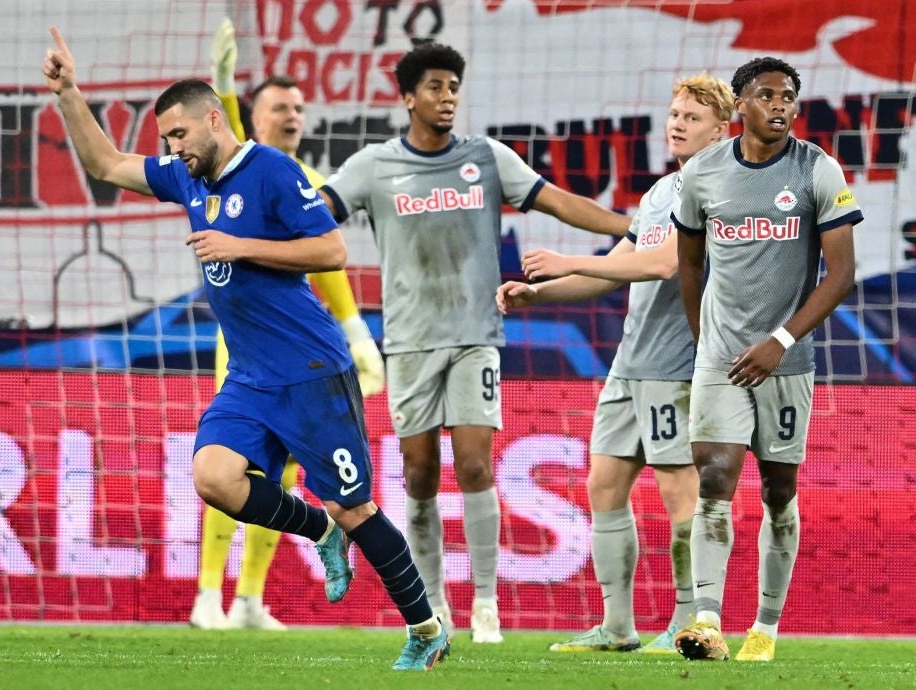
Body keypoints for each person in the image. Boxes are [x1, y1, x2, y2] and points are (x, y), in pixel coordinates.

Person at [42, 27, 448, 671]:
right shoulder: (188, 179)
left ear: (212, 119)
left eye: (179, 136)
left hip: (312, 370)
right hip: (253, 376)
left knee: (355, 506)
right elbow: (106, 164)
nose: (172, 151)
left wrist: (240, 247)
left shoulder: (276, 173)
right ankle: (317, 533)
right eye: (166, 142)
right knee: (214, 476)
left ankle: (425, 628)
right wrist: (69, 93)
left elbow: (332, 251)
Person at [318, 42, 629, 644]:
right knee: (417, 472)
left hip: (475, 336)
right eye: (435, 87)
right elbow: (318, 212)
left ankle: (486, 602)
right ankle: (434, 602)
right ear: (408, 98)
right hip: (409, 342)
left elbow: (556, 200)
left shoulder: (485, 158)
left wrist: (626, 225)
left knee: (475, 463)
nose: (447, 97)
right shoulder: (374, 166)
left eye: (454, 87)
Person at [497, 73, 733, 655]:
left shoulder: (720, 190)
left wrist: (564, 256)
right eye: (675, 112)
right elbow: (619, 262)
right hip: (629, 366)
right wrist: (540, 293)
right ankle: (618, 626)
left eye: (692, 117)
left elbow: (662, 265)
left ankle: (688, 625)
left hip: (678, 366)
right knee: (603, 484)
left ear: (722, 131)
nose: (677, 123)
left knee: (681, 493)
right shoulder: (659, 193)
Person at [189, 19, 385, 632]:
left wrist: (356, 331)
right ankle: (207, 595)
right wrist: (222, 83)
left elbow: (325, 268)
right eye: (281, 106)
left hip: (298, 350)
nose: (294, 115)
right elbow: (221, 126)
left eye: (300, 107)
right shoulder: (242, 167)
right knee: (234, 467)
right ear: (253, 115)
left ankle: (249, 598)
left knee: (291, 471)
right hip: (246, 349)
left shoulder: (307, 183)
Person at [670, 57, 860, 662]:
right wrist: (706, 341)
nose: (780, 105)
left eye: (789, 97)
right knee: (715, 481)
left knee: (779, 490)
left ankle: (766, 628)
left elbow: (843, 273)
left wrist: (780, 340)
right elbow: (690, 265)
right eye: (766, 95)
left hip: (788, 362)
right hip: (721, 361)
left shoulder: (818, 170)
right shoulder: (702, 174)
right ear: (741, 104)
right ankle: (706, 622)